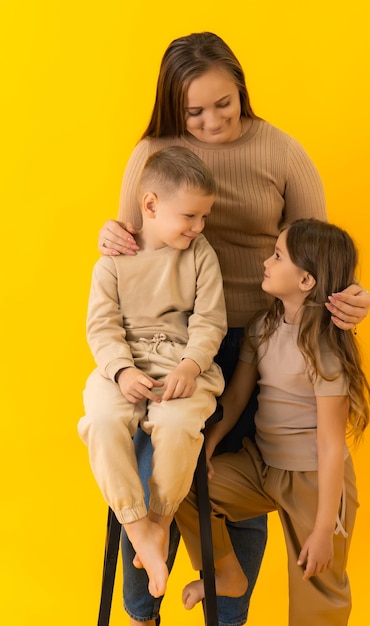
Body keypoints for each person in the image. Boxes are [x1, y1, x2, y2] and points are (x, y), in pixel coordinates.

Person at [97, 32, 370, 626]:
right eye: (194, 111)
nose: (212, 120)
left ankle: (227, 614)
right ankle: (142, 612)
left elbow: (318, 255)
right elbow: (126, 245)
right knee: (149, 482)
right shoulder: (152, 152)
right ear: (173, 105)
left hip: (255, 340)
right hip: (163, 343)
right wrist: (109, 236)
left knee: (229, 490)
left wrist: (353, 295)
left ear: (242, 89)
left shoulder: (281, 152)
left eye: (224, 103)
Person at [176, 218, 370, 625]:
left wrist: (323, 531)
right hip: (262, 465)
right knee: (182, 484)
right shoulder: (263, 327)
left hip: (313, 480)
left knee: (317, 599)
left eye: (278, 255)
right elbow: (234, 400)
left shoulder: (326, 347)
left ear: (306, 280)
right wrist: (207, 449)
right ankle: (228, 575)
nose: (266, 261)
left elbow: (331, 444)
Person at [78, 146, 227, 598]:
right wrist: (121, 371)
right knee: (101, 422)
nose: (198, 227)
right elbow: (101, 327)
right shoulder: (112, 262)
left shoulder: (201, 255)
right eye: (190, 216)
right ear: (150, 205)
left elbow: (210, 319)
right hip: (120, 367)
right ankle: (137, 525)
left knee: (179, 425)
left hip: (181, 365)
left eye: (204, 217)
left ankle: (160, 520)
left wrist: (191, 363)